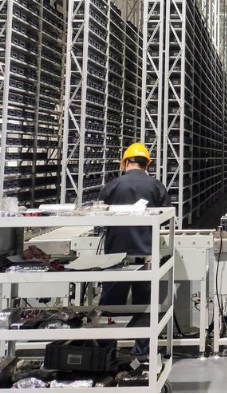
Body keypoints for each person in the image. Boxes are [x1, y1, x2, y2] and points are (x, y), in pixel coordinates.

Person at [99, 142, 170, 359]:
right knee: (145, 307)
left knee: (110, 307)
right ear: (146, 164)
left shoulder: (113, 185)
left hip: (115, 257)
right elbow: (167, 218)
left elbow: (99, 216)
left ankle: (104, 352)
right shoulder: (156, 186)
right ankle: (144, 352)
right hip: (147, 255)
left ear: (127, 162)